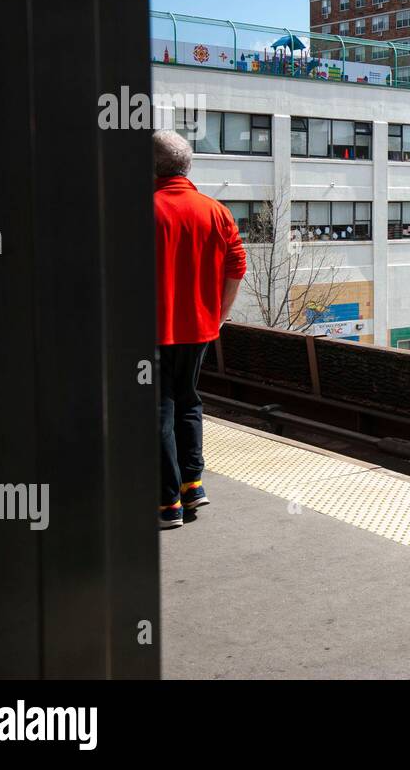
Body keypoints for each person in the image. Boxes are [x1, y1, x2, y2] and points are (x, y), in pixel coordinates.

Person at [153, 130, 246, 529]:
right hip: (199, 331)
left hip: (153, 331)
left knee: (159, 409)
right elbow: (236, 267)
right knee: (188, 400)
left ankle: (166, 502)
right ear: (187, 166)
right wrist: (218, 319)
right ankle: (193, 484)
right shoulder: (216, 211)